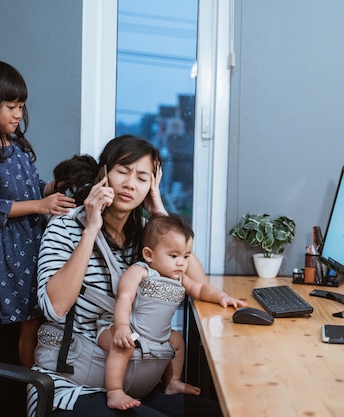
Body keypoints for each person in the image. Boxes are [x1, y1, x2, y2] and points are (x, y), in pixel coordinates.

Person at [32, 135, 223, 417]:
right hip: (71, 387)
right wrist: (91, 229)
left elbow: (198, 283)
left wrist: (159, 213)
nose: (130, 184)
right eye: (122, 171)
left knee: (215, 412)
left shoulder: (146, 236)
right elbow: (55, 307)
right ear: (103, 174)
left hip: (133, 383)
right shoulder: (65, 226)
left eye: (143, 178)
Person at [0, 58, 76, 367]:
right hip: (12, 253)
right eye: (11, 107)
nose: (18, 114)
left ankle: (46, 381)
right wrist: (40, 205)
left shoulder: (16, 146)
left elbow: (33, 186)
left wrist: (55, 187)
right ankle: (31, 388)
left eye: (21, 106)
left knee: (44, 318)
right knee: (30, 323)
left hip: (35, 243)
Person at [98, 213, 246, 410]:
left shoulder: (179, 278)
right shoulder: (140, 271)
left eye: (186, 257)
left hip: (157, 335)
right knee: (123, 347)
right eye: (173, 256)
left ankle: (173, 382)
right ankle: (115, 391)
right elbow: (124, 299)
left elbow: (200, 289)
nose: (181, 263)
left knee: (177, 341)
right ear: (149, 255)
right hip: (126, 328)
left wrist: (221, 297)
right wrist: (122, 327)